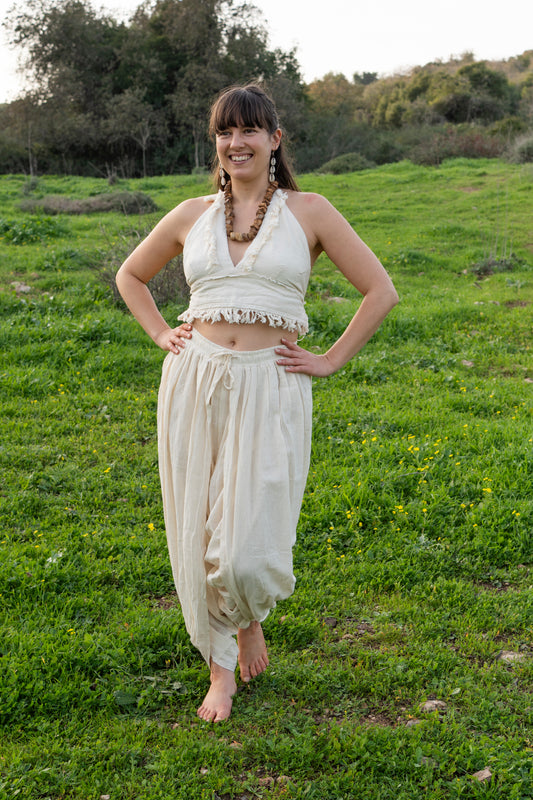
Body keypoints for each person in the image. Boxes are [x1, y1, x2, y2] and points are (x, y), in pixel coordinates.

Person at [116, 83, 398, 723]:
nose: (235, 142)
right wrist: (163, 333)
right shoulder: (192, 214)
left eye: (249, 130)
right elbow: (130, 276)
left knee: (246, 541)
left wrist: (328, 360)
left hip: (270, 384)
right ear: (215, 143)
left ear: (274, 139)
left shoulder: (311, 212)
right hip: (196, 381)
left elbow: (380, 291)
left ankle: (246, 614)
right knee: (201, 526)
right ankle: (223, 665)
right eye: (224, 132)